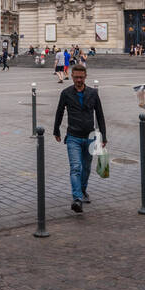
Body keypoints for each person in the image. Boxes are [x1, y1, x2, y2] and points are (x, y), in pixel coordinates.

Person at [53, 63, 107, 215]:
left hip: (90, 137)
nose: (78, 80)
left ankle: (82, 190)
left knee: (87, 168)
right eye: (76, 77)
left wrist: (103, 134)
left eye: (81, 77)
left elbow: (100, 114)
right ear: (71, 77)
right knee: (76, 167)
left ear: (85, 77)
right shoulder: (66, 93)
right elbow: (59, 112)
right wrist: (56, 129)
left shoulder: (93, 93)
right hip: (73, 137)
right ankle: (77, 198)